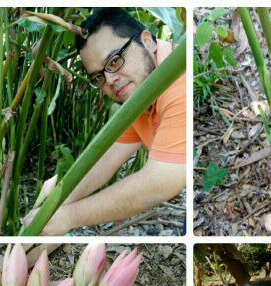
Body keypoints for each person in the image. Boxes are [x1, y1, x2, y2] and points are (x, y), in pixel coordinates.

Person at [24, 8, 185, 235]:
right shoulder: (139, 91)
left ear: (147, 41)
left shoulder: (180, 81)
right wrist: (57, 199)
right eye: (98, 76)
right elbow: (107, 160)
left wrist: (69, 217)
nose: (109, 80)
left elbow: (160, 181)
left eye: (115, 60)